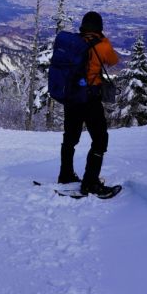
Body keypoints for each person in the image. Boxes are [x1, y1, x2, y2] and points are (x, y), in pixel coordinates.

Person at [58, 11, 120, 196]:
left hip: (71, 98)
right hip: (90, 99)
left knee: (70, 138)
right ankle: (91, 182)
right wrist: (104, 40)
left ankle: (66, 174)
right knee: (100, 140)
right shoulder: (102, 46)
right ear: (99, 27)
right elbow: (113, 60)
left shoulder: (73, 43)